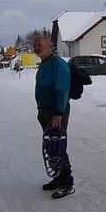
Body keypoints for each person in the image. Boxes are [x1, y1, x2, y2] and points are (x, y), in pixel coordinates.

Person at [33, 36, 75, 199]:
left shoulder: (57, 63)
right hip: (45, 111)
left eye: (40, 45)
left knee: (58, 146)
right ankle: (58, 178)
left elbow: (62, 89)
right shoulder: (44, 63)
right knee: (51, 147)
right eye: (35, 45)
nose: (36, 47)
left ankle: (67, 183)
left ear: (50, 46)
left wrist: (58, 112)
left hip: (56, 112)